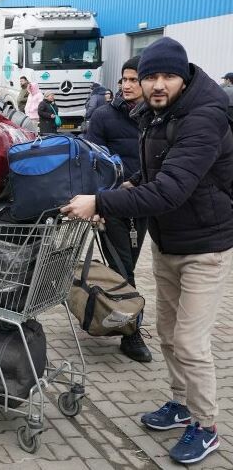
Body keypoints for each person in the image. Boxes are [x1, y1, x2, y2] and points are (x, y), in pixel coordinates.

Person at [61, 37, 233, 465]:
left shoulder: (204, 117)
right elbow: (155, 171)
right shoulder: (158, 115)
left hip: (206, 246)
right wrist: (125, 187)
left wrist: (100, 202)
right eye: (149, 76)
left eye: (166, 76)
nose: (157, 85)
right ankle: (180, 404)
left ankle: (207, 425)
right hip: (170, 241)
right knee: (171, 335)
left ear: (184, 76)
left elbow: (171, 189)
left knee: (191, 342)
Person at [84, 56, 152, 363]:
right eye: (124, 79)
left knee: (127, 267)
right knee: (123, 269)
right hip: (111, 205)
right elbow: (91, 163)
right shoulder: (103, 116)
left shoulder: (156, 118)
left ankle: (110, 309)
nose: (126, 85)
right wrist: (97, 202)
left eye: (133, 80)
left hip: (146, 204)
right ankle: (131, 333)